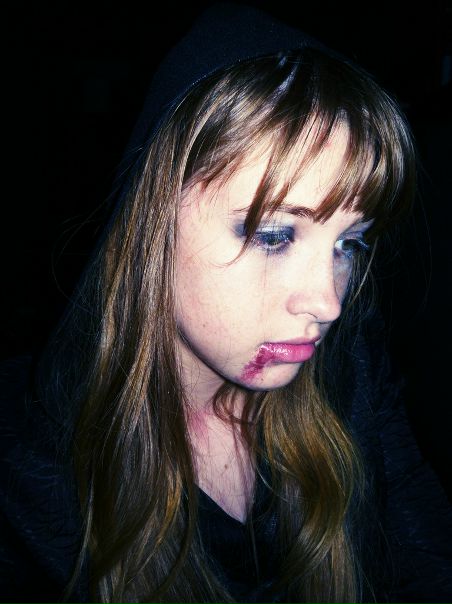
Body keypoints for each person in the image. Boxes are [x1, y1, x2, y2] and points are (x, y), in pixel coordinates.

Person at [1, 3, 451, 603]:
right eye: (274, 235)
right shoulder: (25, 465)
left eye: (349, 243)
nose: (327, 303)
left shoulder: (352, 377)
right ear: (150, 216)